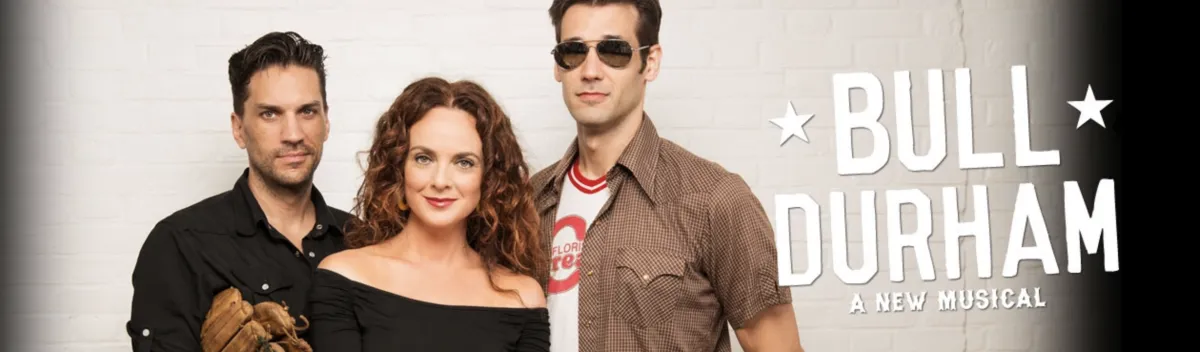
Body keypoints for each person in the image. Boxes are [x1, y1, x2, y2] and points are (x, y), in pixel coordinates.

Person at [534, 1, 807, 351]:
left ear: (650, 62)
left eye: (613, 50)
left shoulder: (715, 200)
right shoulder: (528, 203)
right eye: (572, 51)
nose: (590, 71)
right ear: (558, 66)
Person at [126, 31, 352, 350]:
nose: (293, 133)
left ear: (326, 121)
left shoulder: (361, 239)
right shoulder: (181, 245)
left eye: (307, 111)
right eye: (269, 113)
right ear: (238, 128)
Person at [306, 77, 550, 351]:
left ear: (488, 179)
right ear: (399, 166)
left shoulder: (523, 297)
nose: (440, 180)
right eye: (424, 158)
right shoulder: (343, 276)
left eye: (464, 162)